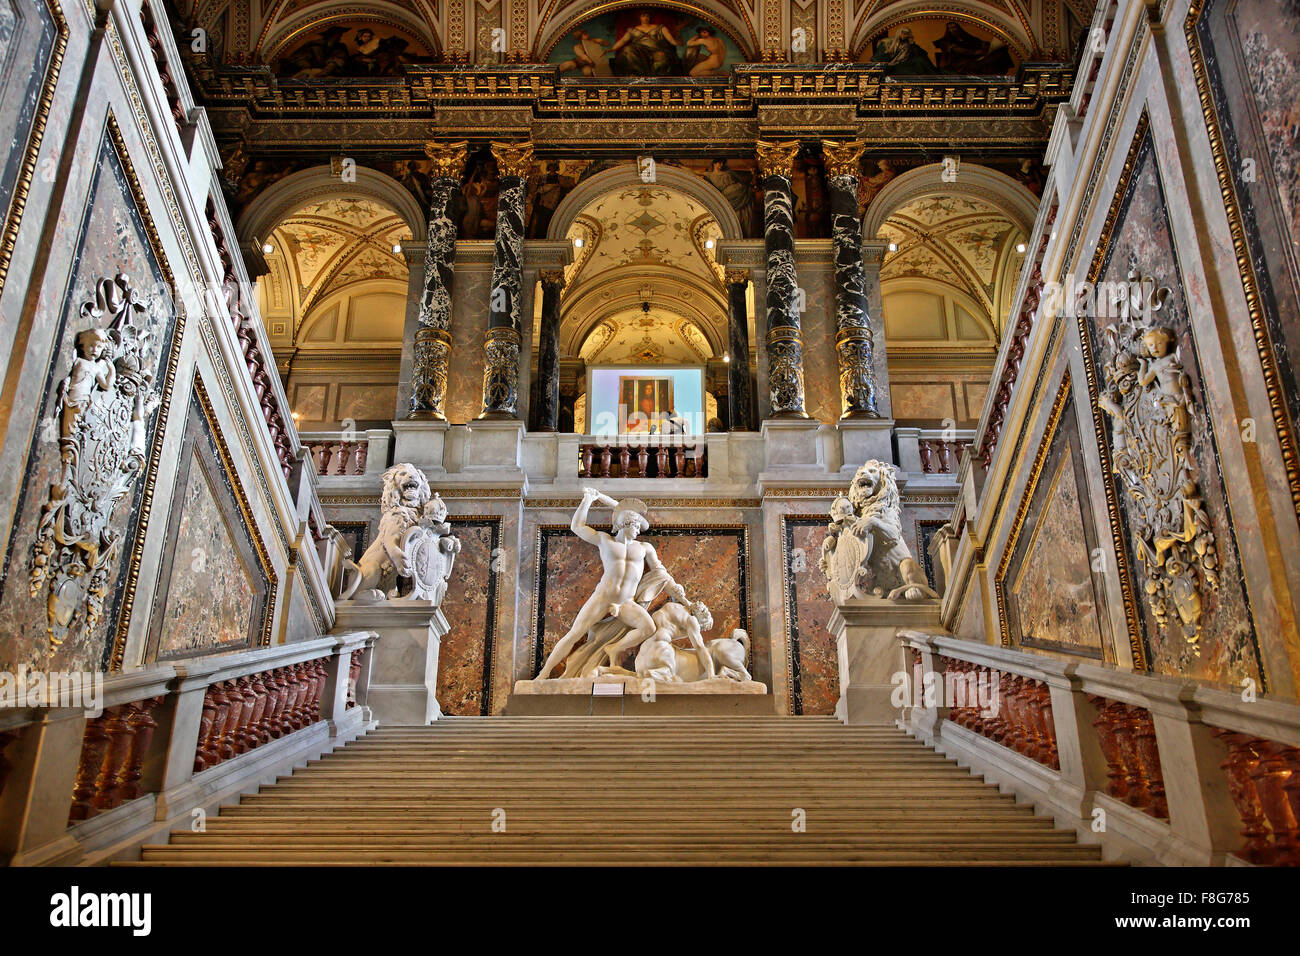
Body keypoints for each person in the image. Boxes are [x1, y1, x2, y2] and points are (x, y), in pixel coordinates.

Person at [535, 490, 688, 679]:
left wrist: (682, 598)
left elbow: (662, 573)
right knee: (574, 634)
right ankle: (543, 675)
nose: (639, 530)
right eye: (636, 526)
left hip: (625, 603)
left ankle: (613, 648)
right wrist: (588, 499)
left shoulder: (644, 548)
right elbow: (577, 526)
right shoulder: (604, 540)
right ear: (625, 523)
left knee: (648, 628)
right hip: (603, 597)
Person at [611, 10, 682, 76]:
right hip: (639, 51)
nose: (646, 18)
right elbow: (623, 41)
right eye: (643, 16)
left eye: (647, 16)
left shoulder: (660, 28)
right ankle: (639, 74)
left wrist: (677, 43)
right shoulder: (632, 30)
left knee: (661, 57)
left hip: (656, 50)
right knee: (627, 50)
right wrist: (611, 49)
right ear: (640, 18)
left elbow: (670, 40)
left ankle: (656, 78)